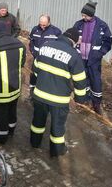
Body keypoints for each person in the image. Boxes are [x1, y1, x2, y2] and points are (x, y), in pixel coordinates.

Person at [30, 27, 88, 157]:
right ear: (73, 40)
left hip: (40, 95)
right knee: (57, 126)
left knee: (38, 122)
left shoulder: (45, 46)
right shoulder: (74, 55)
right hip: (59, 100)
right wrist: (80, 100)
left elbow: (35, 69)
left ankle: (34, 142)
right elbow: (80, 80)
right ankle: (56, 150)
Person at [73, 0, 112, 114]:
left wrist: (100, 53)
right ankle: (84, 100)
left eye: (85, 15)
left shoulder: (102, 26)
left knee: (95, 81)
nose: (83, 17)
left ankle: (96, 103)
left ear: (91, 14)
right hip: (81, 59)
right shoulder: (78, 24)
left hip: (94, 59)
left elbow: (108, 41)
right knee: (82, 79)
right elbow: (72, 37)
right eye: (82, 15)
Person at [28, 14, 62, 96]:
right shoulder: (35, 29)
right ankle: (32, 93)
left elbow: (60, 45)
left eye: (44, 25)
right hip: (36, 58)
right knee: (34, 75)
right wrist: (32, 51)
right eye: (40, 24)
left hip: (49, 61)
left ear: (49, 23)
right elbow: (31, 41)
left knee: (46, 77)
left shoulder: (56, 32)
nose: (42, 26)